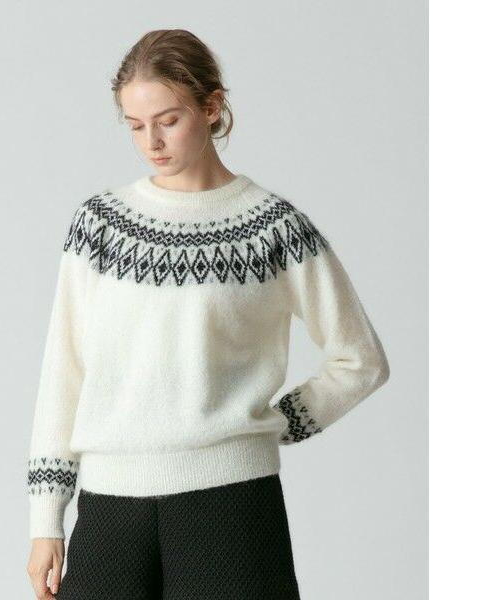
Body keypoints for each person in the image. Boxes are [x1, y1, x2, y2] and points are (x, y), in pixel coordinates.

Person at [25, 29, 390, 600]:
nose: (151, 142)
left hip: (232, 507)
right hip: (110, 509)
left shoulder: (273, 228)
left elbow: (360, 360)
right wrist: (46, 519)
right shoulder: (99, 226)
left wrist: (278, 423)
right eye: (135, 125)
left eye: (168, 120)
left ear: (212, 106)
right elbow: (63, 372)